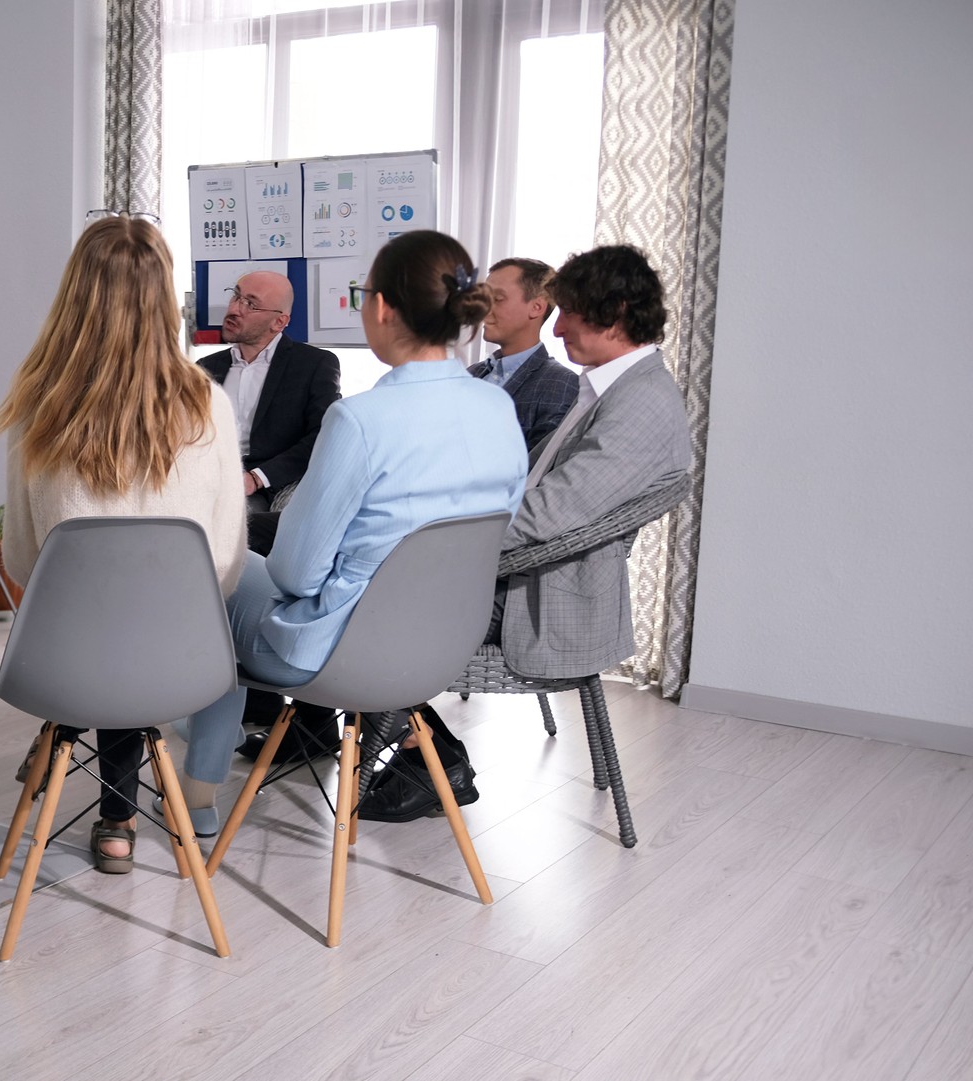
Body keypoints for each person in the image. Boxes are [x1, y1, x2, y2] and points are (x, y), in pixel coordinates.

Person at [179, 230, 529, 834]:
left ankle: (196, 795)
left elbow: (293, 572)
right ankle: (201, 754)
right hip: (441, 646)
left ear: (383, 307)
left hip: (339, 652)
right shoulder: (498, 408)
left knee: (217, 569)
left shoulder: (361, 420)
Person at [0, 216, 246, 874]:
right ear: (165, 299)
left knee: (100, 629)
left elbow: (22, 560)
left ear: (74, 294)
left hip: (62, 659)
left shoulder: (35, 405)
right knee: (138, 629)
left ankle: (90, 774)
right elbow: (225, 563)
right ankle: (116, 817)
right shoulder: (209, 404)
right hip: (179, 661)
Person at [493, 244, 692, 678]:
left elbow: (548, 514)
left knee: (373, 603)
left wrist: (446, 543)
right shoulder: (611, 388)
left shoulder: (642, 403)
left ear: (616, 310)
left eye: (568, 312)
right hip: (518, 572)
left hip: (537, 592)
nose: (558, 327)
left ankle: (418, 741)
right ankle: (423, 739)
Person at [197, 270, 341, 512]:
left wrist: (256, 478)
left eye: (251, 304)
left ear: (279, 322)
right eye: (236, 297)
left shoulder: (313, 365)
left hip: (273, 485)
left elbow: (323, 437)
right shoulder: (205, 368)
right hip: (211, 480)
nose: (235, 309)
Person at [470, 257, 581, 449]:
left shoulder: (559, 383)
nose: (485, 309)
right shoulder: (470, 374)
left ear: (536, 307)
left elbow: (540, 466)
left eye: (497, 299)